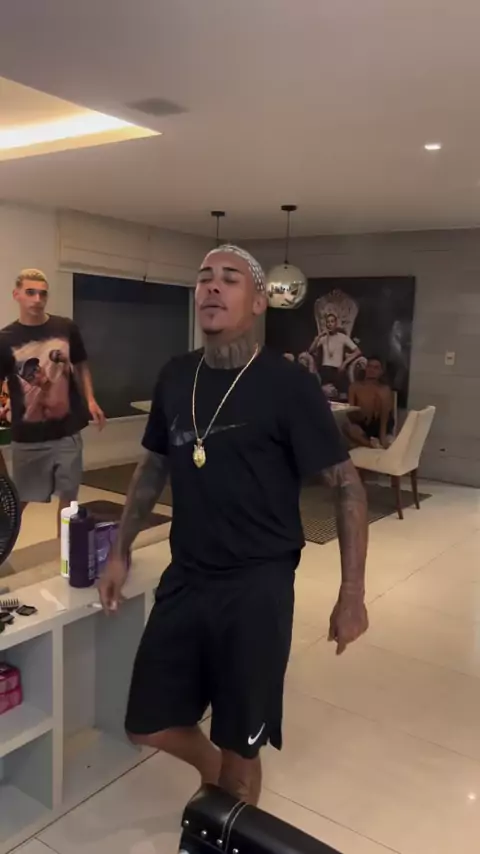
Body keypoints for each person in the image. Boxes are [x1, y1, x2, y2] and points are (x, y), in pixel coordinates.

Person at [99, 245, 368, 807]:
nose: (212, 287)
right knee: (146, 723)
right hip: (187, 575)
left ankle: (231, 819)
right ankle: (214, 770)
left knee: (242, 748)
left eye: (229, 278)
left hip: (256, 588)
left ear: (259, 302)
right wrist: (120, 550)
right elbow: (152, 468)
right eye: (204, 278)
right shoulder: (177, 376)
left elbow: (346, 486)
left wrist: (351, 595)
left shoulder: (288, 385)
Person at [0, 268, 105, 533]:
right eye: (30, 292)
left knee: (69, 502)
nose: (37, 299)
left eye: (43, 294)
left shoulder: (65, 328)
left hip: (67, 432)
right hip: (29, 437)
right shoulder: (5, 340)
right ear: (16, 295)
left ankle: (65, 553)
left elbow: (81, 364)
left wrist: (90, 400)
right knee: (18, 501)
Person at [309, 311, 361, 399]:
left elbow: (358, 351)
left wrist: (345, 363)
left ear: (336, 324)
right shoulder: (323, 338)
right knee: (323, 392)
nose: (330, 324)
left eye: (332, 321)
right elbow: (311, 350)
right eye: (328, 322)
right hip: (325, 370)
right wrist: (319, 336)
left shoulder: (343, 337)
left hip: (338, 370)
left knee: (343, 393)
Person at [346, 356, 394, 449]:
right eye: (369, 366)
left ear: (381, 372)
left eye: (376, 368)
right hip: (363, 423)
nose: (372, 370)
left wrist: (383, 437)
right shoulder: (355, 387)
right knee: (347, 428)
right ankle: (370, 444)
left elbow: (385, 415)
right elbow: (350, 411)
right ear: (365, 368)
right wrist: (358, 416)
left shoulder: (384, 389)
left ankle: (379, 440)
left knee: (389, 442)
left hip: (380, 424)